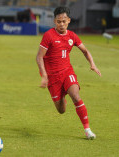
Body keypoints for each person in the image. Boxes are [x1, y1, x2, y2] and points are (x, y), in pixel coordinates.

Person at [36, 7, 101, 139]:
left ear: (69, 21)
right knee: (61, 110)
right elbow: (39, 57)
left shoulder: (72, 36)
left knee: (76, 96)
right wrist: (44, 75)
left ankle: (87, 130)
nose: (61, 24)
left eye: (64, 21)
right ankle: (62, 96)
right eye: (58, 21)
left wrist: (92, 64)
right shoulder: (48, 35)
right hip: (53, 78)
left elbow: (85, 51)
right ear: (54, 21)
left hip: (67, 72)